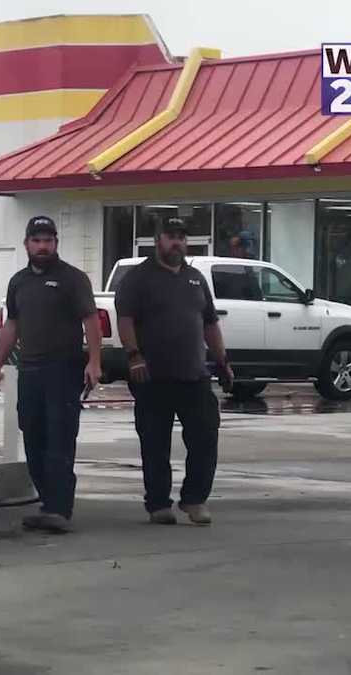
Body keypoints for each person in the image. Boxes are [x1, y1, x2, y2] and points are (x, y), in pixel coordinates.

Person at [114, 216, 233, 526]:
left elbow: (210, 323)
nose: (177, 242)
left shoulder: (195, 278)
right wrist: (134, 355)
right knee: (155, 444)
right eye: (171, 236)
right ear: (158, 241)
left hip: (194, 375)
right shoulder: (138, 278)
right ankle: (158, 504)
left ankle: (194, 499)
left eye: (181, 237)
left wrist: (222, 361)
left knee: (205, 437)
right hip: (152, 377)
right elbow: (124, 319)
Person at [0, 216, 102, 534]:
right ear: (26, 243)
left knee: (60, 440)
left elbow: (90, 320)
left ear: (55, 243)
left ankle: (59, 509)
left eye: (48, 240)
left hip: (63, 369)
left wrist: (94, 361)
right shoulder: (19, 282)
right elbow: (12, 325)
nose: (42, 246)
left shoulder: (73, 279)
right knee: (34, 436)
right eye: (36, 240)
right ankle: (48, 502)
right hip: (30, 370)